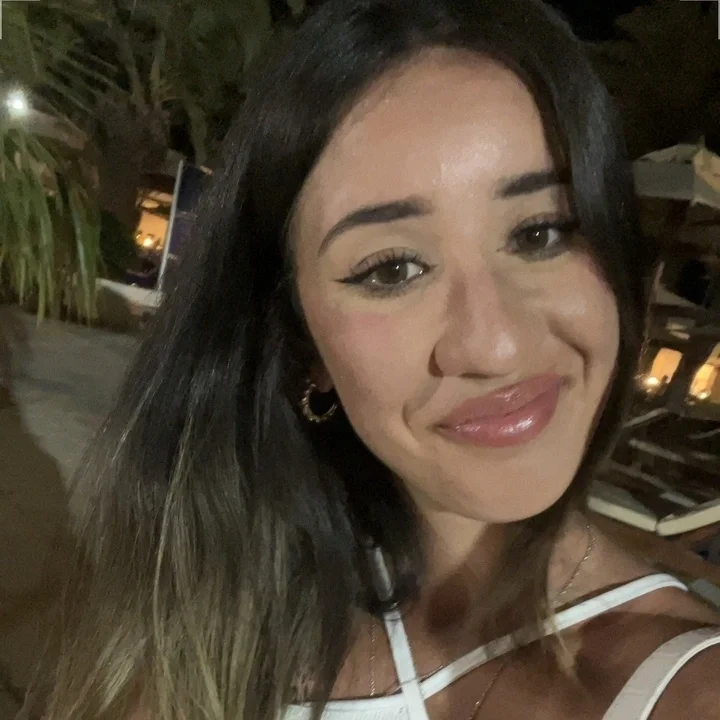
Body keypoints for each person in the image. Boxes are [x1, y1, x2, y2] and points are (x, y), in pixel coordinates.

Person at [42, 1, 720, 719]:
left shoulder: (685, 688)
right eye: (392, 269)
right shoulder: (224, 596)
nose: (495, 345)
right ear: (303, 344)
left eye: (542, 233)